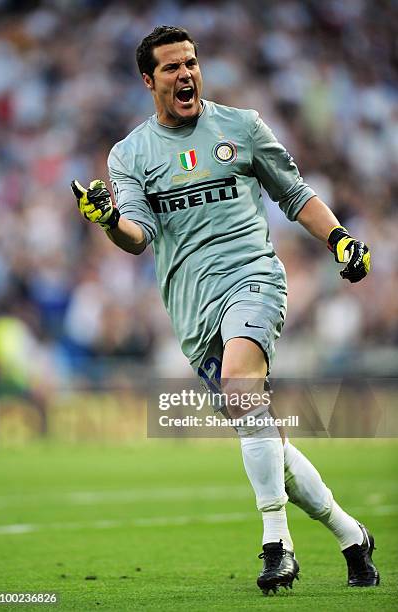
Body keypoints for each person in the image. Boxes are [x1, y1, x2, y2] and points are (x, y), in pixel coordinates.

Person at [71, 26, 379, 594]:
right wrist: (109, 218)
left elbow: (295, 193)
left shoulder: (241, 126)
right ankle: (349, 533)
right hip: (193, 310)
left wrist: (339, 239)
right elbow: (138, 236)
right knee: (269, 442)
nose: (186, 73)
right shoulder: (130, 154)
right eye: (171, 67)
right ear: (149, 80)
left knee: (242, 388)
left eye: (191, 63)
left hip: (254, 279)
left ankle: (275, 544)